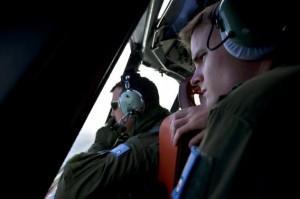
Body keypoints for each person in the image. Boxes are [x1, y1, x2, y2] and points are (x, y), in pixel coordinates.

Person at [170, 0, 300, 198]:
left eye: (202, 58)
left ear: (245, 41)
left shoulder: (238, 111)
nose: (195, 79)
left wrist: (225, 116)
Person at [54, 73, 171, 199]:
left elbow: (69, 189)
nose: (111, 114)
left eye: (114, 106)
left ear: (132, 105)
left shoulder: (144, 145)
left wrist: (101, 142)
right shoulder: (154, 130)